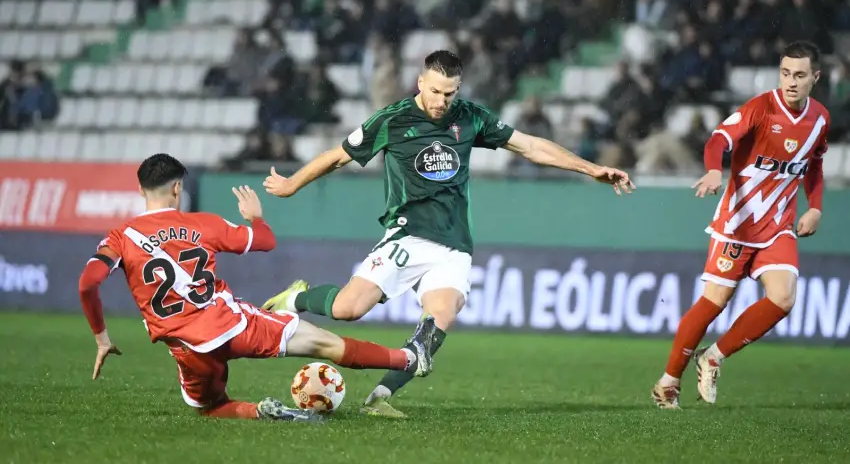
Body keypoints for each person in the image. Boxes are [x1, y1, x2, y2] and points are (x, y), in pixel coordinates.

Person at [260, 50, 635, 418]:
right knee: (347, 309)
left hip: (453, 244)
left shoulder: (471, 117)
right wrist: (293, 184)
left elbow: (532, 146)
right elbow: (338, 155)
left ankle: (380, 395)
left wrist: (591, 169)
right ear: (421, 82)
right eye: (435, 91)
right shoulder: (392, 119)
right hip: (407, 236)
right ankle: (299, 297)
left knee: (440, 317)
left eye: (449, 93)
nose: (442, 101)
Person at [78, 153, 437, 422]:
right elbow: (264, 241)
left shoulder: (120, 238)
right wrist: (255, 217)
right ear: (177, 188)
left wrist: (101, 338)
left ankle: (260, 411)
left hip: (187, 348)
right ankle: (409, 358)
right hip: (231, 325)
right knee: (325, 343)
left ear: (140, 189)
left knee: (210, 407)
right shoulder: (204, 224)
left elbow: (87, 284)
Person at [652, 40, 830, 409]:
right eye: (785, 73)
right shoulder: (761, 107)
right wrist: (715, 170)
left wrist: (814, 208)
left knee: (783, 298)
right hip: (738, 223)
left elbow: (814, 164)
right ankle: (669, 381)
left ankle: (713, 357)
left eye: (799, 75)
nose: (790, 82)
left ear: (816, 77)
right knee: (714, 301)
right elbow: (718, 139)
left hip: (779, 225)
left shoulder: (821, 119)